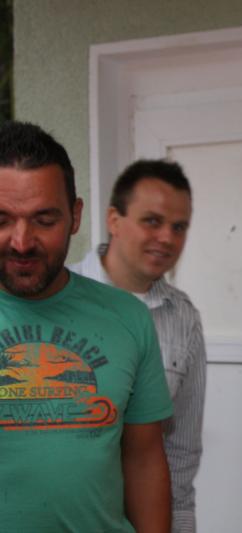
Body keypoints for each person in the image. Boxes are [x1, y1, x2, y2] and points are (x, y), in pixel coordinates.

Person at [0, 120, 172, 532]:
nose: (21, 242)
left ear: (75, 216)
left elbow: (143, 458)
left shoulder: (127, 318)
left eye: (44, 220)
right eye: (1, 219)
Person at [70, 159, 207, 533]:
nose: (166, 238)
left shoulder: (183, 317)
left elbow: (181, 453)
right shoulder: (56, 295)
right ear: (114, 220)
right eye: (152, 221)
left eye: (178, 227)